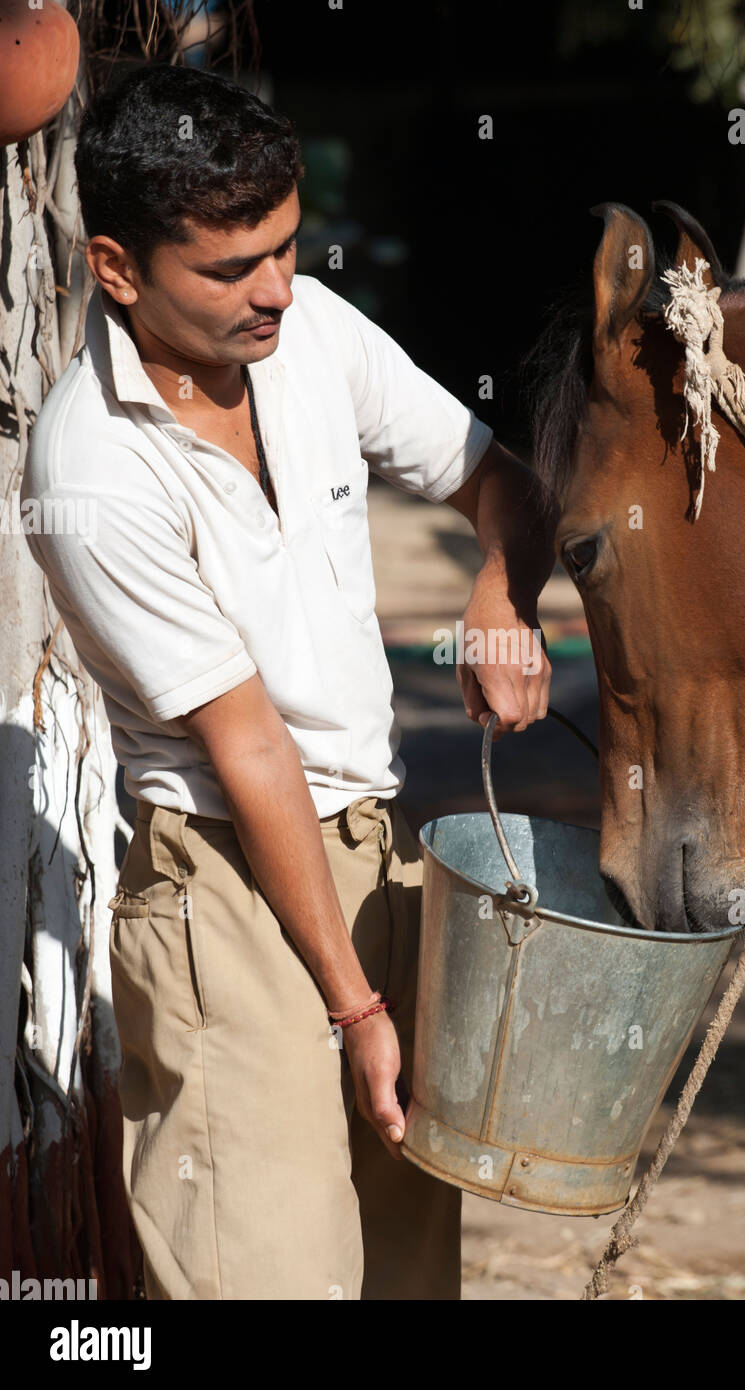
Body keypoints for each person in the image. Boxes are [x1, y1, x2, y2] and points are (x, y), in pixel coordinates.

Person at [22, 63, 554, 1301]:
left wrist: (501, 598)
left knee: (408, 1268)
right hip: (225, 889)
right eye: (227, 268)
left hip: (381, 849)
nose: (273, 290)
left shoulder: (311, 328)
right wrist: (358, 1010)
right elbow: (251, 748)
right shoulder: (91, 467)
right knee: (262, 1277)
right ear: (115, 268)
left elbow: (501, 482)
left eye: (286, 246)